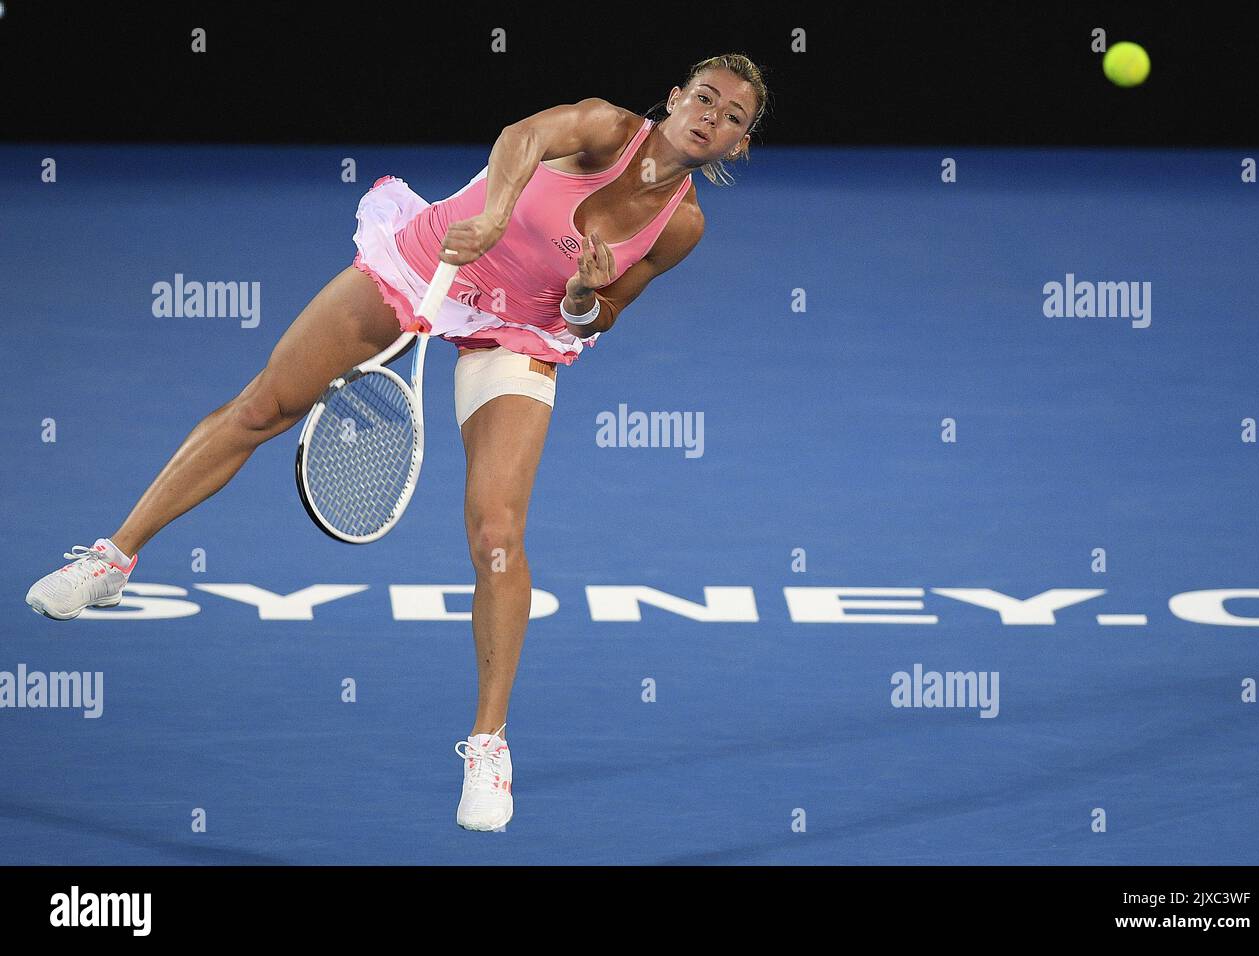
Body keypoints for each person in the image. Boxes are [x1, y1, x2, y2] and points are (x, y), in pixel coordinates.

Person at [25, 53, 769, 832]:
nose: (711, 117)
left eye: (732, 117)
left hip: (516, 329)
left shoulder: (681, 225)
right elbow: (520, 136)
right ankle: (112, 561)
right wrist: (491, 214)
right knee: (264, 408)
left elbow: (606, 314)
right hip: (433, 265)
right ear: (675, 96)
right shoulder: (604, 127)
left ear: (738, 146)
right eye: (705, 98)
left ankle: (488, 747)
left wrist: (585, 296)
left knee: (498, 534)